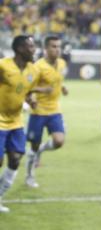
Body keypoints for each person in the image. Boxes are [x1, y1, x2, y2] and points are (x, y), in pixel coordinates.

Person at [0, 35, 50, 212]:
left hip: (15, 122)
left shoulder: (33, 71)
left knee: (15, 159)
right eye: (30, 46)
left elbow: (24, 89)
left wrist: (30, 100)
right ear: (20, 49)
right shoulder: (3, 65)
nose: (34, 49)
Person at [25, 36, 69, 188]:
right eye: (53, 46)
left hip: (55, 110)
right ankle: (29, 176)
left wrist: (62, 88)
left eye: (58, 46)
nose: (57, 49)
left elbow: (58, 79)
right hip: (38, 111)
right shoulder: (37, 67)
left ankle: (41, 151)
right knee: (33, 146)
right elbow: (26, 87)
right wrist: (33, 97)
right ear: (45, 49)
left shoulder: (62, 63)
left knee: (59, 141)